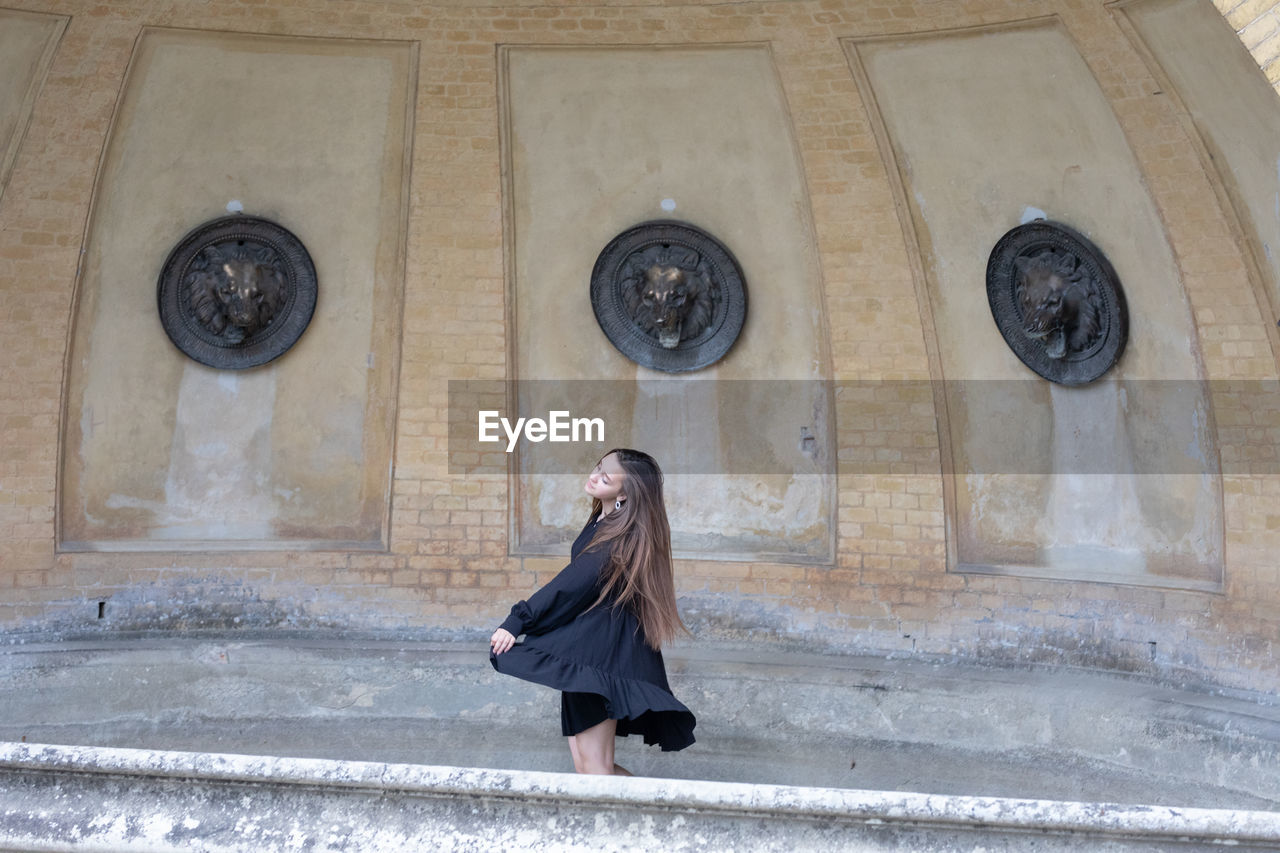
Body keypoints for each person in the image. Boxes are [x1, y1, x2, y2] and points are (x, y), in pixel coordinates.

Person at [489, 448, 696, 775]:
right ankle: (657, 813)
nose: (594, 475)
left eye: (606, 475)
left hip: (601, 657)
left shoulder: (618, 536)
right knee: (588, 768)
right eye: (598, 467)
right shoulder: (603, 522)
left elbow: (573, 585)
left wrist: (518, 620)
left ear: (626, 492)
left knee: (595, 769)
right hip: (587, 653)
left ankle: (663, 814)